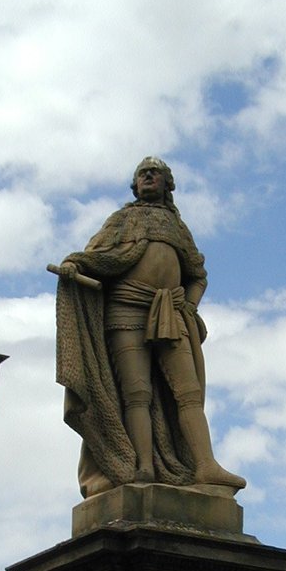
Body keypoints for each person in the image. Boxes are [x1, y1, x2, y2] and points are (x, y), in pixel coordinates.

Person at [52, 157, 245, 497]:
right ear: (135, 183)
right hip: (125, 309)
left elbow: (197, 275)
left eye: (154, 173)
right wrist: (73, 263)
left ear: (168, 183)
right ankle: (141, 465)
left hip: (170, 311)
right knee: (136, 394)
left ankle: (205, 464)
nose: (148, 177)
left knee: (188, 393)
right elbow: (96, 256)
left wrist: (189, 304)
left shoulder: (177, 227)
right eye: (142, 173)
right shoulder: (122, 219)